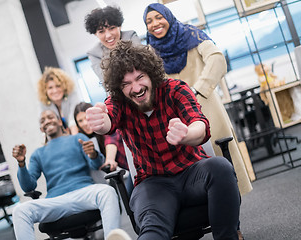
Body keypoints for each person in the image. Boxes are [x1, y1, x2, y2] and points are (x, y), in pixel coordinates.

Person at [85, 41, 242, 240]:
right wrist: (101, 123)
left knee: (220, 166)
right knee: (153, 227)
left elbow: (199, 124)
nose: (136, 88)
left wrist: (186, 134)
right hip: (153, 183)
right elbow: (109, 119)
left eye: (140, 77)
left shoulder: (175, 89)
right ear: (119, 88)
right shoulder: (119, 103)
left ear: (151, 73)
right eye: (126, 84)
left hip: (192, 172)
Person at [143, 3, 252, 196]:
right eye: (149, 21)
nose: (155, 24)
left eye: (158, 17)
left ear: (168, 16)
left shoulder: (191, 35)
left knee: (223, 160)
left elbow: (217, 59)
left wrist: (197, 89)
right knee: (194, 171)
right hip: (176, 119)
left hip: (206, 107)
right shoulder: (150, 52)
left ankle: (232, 220)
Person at [11, 109, 120, 240]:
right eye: (43, 120)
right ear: (41, 128)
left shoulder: (77, 139)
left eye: (50, 117)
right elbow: (28, 187)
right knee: (19, 210)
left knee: (107, 191)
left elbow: (96, 165)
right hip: (55, 201)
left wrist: (93, 154)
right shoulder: (38, 153)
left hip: (84, 193)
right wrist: (21, 164)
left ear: (59, 121)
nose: (47, 121)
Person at [74, 102, 134, 194]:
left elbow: (111, 139)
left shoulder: (105, 128)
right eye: (80, 121)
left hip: (137, 165)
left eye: (86, 118)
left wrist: (110, 159)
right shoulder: (89, 141)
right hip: (131, 170)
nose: (85, 123)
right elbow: (96, 163)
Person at [84, 5, 142, 81]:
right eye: (101, 31)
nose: (108, 35)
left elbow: (141, 64)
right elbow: (106, 80)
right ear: (95, 34)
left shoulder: (130, 36)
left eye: (111, 28)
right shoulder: (94, 53)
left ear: (120, 26)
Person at [37, 67, 80, 135]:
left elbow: (73, 121)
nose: (55, 91)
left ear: (64, 86)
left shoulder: (72, 95)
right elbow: (45, 127)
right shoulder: (43, 104)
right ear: (45, 91)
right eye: (50, 88)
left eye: (58, 86)